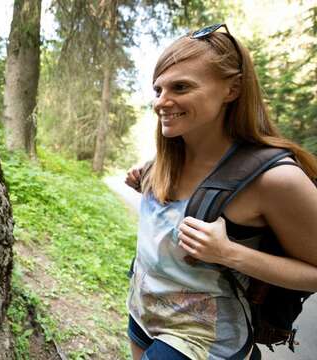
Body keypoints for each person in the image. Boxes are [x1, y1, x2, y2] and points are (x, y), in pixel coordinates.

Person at [124, 24, 317, 360]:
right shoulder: (167, 157)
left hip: (202, 341)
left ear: (233, 89)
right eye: (158, 89)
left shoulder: (276, 179)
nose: (161, 102)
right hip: (142, 312)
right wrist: (149, 186)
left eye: (181, 87)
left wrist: (228, 253)